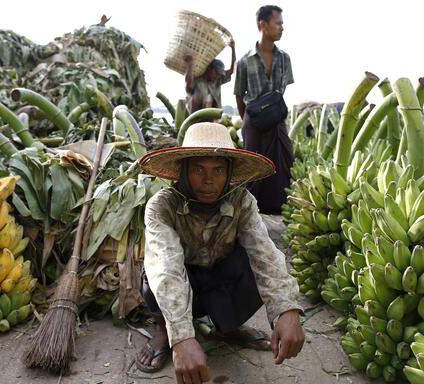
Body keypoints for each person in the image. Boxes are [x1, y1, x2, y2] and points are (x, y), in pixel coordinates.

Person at [135, 122, 305, 383]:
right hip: (183, 280)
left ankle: (228, 327)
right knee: (152, 274)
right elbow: (167, 267)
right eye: (198, 170)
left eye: (218, 170)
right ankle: (163, 331)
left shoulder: (242, 201)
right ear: (183, 171)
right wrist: (182, 337)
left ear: (229, 174)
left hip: (220, 276)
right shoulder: (162, 206)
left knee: (251, 263)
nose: (208, 180)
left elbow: (264, 252)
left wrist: (287, 308)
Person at [234, 5, 294, 214]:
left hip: (276, 119)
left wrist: (271, 114)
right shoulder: (245, 61)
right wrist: (249, 122)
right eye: (278, 23)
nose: (282, 27)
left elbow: (281, 92)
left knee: (284, 162)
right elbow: (239, 95)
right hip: (254, 121)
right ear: (263, 24)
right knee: (253, 167)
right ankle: (251, 213)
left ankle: (278, 208)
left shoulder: (284, 58)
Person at [184, 39, 236, 113]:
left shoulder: (217, 80)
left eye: (219, 74)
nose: (218, 76)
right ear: (209, 68)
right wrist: (191, 65)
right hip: (195, 117)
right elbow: (188, 88)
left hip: (212, 117)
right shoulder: (197, 78)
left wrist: (233, 49)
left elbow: (231, 70)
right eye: (216, 72)